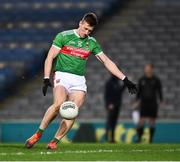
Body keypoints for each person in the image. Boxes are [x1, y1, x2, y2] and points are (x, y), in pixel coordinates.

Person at [25, 12, 137, 150]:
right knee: (58, 104)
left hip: (78, 80)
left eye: (90, 30)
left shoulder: (91, 43)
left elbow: (107, 61)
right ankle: (38, 134)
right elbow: (50, 57)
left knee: (72, 111)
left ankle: (54, 141)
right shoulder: (64, 36)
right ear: (80, 23)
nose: (86, 32)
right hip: (62, 75)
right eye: (85, 28)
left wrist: (125, 79)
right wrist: (46, 78)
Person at [135, 64, 163, 143]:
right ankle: (139, 138)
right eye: (146, 68)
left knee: (152, 121)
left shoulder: (156, 80)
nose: (147, 69)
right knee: (141, 120)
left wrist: (161, 100)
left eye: (148, 68)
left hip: (153, 103)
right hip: (143, 103)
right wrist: (136, 101)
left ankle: (150, 139)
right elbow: (139, 92)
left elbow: (159, 91)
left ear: (151, 69)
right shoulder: (142, 79)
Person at [104, 74, 125, 143]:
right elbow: (107, 95)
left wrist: (125, 84)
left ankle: (112, 138)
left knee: (114, 122)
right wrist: (108, 104)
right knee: (110, 121)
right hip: (111, 105)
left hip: (117, 105)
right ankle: (107, 137)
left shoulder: (117, 83)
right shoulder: (109, 83)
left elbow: (119, 92)